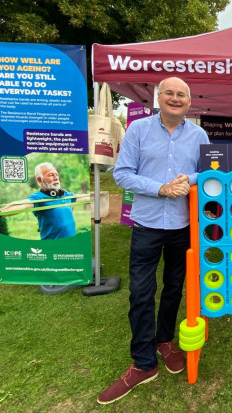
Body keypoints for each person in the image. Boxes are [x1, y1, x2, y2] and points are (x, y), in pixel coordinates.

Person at [97, 77, 210, 405]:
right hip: (147, 224)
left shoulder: (199, 135)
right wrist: (160, 188)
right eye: (170, 93)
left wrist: (188, 179)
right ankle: (144, 363)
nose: (176, 98)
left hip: (182, 226)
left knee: (174, 288)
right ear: (158, 98)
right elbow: (122, 173)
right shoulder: (138, 130)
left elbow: (211, 171)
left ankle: (165, 340)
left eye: (182, 95)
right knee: (141, 292)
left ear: (189, 102)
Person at [0, 162, 87, 239]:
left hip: (71, 246)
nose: (56, 178)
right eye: (51, 175)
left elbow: (85, 198)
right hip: (51, 248)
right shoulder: (38, 198)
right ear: (39, 180)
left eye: (56, 174)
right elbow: (22, 205)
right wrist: (1, 212)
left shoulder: (66, 195)